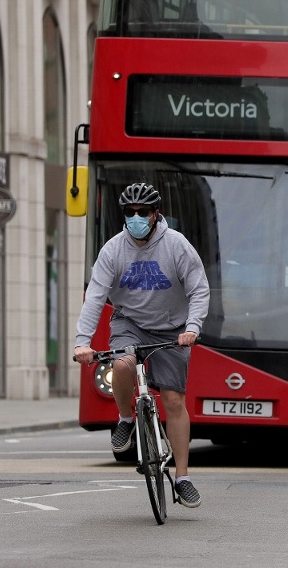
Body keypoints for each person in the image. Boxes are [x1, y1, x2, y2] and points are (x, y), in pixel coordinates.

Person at [72, 182, 210, 509]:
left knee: (174, 401)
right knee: (121, 364)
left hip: (172, 328)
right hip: (129, 322)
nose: (135, 218)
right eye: (129, 213)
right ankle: (125, 420)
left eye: (142, 213)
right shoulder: (112, 250)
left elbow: (199, 290)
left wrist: (192, 328)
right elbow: (94, 298)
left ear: (155, 214)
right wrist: (82, 342)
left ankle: (182, 476)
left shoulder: (176, 245)